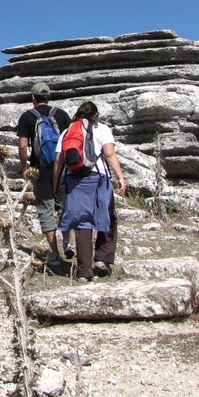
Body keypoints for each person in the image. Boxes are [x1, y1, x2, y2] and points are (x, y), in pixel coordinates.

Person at [53, 101, 127, 281]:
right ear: (96, 115)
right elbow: (109, 154)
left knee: (82, 223)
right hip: (98, 178)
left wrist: (55, 185)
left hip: (74, 180)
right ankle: (103, 257)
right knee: (108, 215)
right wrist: (120, 177)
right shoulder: (102, 129)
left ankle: (84, 272)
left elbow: (59, 161)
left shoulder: (68, 131)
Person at [16, 82, 71, 266]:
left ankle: (55, 254)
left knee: (45, 209)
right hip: (62, 167)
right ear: (49, 97)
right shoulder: (61, 115)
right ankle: (67, 242)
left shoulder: (27, 117)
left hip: (39, 169)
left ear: (33, 98)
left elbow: (23, 145)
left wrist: (24, 168)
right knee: (65, 205)